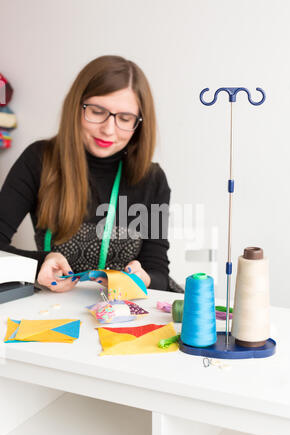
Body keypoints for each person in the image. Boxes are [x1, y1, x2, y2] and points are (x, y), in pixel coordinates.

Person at [0, 55, 183, 294]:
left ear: (139, 124)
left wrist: (144, 278)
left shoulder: (152, 179)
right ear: (76, 105)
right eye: (97, 111)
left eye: (125, 119)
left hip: (127, 312)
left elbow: (158, 272)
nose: (108, 129)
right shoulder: (39, 160)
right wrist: (38, 265)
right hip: (55, 308)